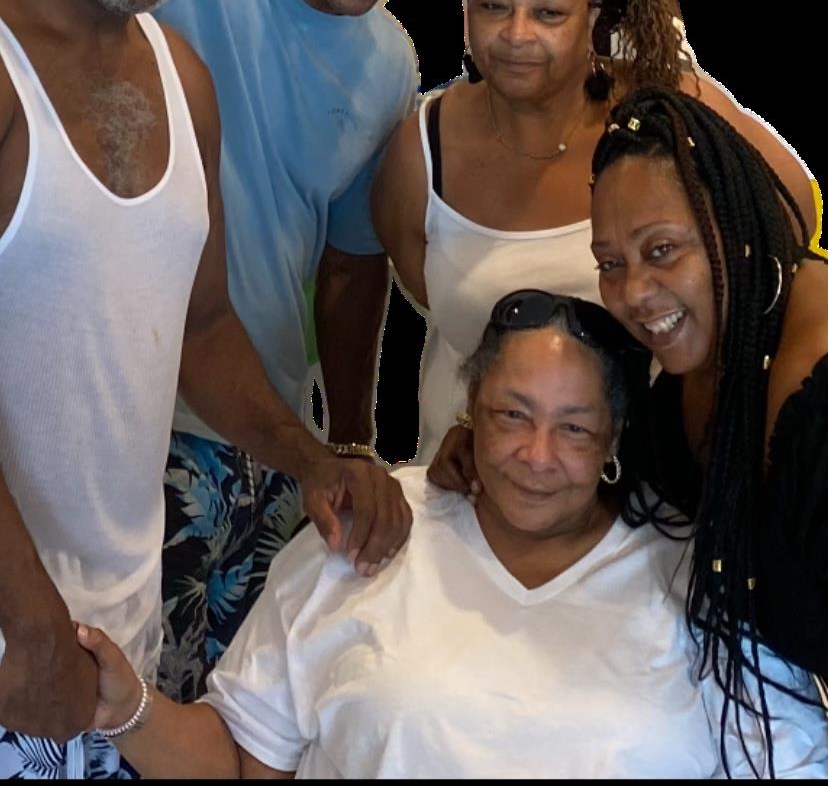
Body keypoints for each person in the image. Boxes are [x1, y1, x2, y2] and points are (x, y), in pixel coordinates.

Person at [18, 0, 439, 700]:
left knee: (220, 711)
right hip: (92, 510)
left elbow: (311, 284)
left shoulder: (360, 63)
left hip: (210, 475)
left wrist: (336, 445)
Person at [0, 0, 410, 779]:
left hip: (121, 619)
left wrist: (318, 459)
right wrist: (30, 618)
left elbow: (207, 324)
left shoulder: (181, 75)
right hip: (20, 634)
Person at [73, 291, 827, 779]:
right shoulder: (369, 528)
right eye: (511, 414)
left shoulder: (697, 574)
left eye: (573, 427)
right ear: (469, 406)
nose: (536, 454)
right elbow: (240, 762)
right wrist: (126, 706)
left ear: (614, 437)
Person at [372, 0, 816, 465]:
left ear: (596, 19)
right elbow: (419, 283)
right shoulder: (421, 145)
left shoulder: (663, 110)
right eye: (493, 6)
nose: (516, 34)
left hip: (650, 478)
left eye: (549, 13)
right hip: (469, 470)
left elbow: (788, 210)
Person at [586, 86, 828, 717]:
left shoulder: (816, 405)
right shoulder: (701, 350)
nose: (634, 292)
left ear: (734, 223)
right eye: (610, 263)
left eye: (661, 250)